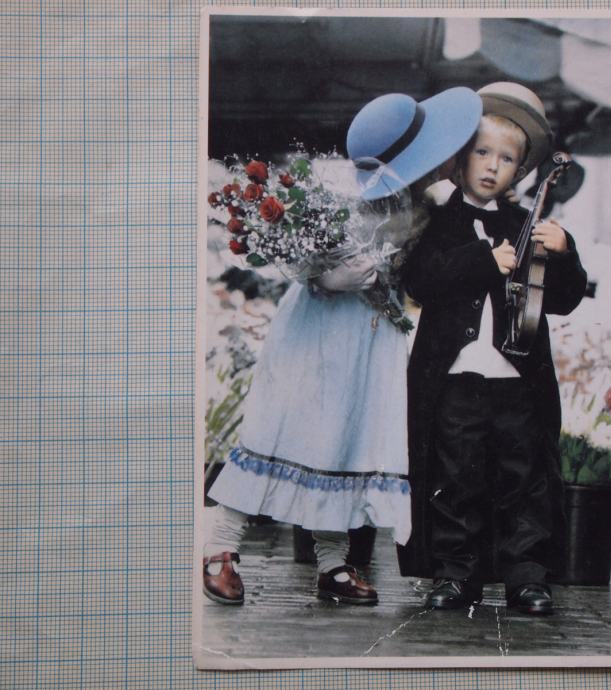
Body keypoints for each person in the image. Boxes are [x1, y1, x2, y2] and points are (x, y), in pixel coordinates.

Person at [202, 87, 483, 606]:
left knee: (346, 436)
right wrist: (338, 273)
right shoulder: (351, 202)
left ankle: (333, 563)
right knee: (287, 426)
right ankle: (221, 544)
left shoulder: (427, 205)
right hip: (320, 329)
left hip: (371, 336)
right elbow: (319, 267)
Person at [398, 83, 588, 614]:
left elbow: (563, 299)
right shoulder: (437, 220)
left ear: (520, 171)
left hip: (517, 379)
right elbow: (420, 280)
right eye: (482, 152)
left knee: (523, 477)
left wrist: (565, 252)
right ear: (460, 158)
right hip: (455, 376)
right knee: (454, 476)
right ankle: (456, 573)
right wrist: (484, 261)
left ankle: (526, 576)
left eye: (506, 159)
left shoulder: (526, 224)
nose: (491, 166)